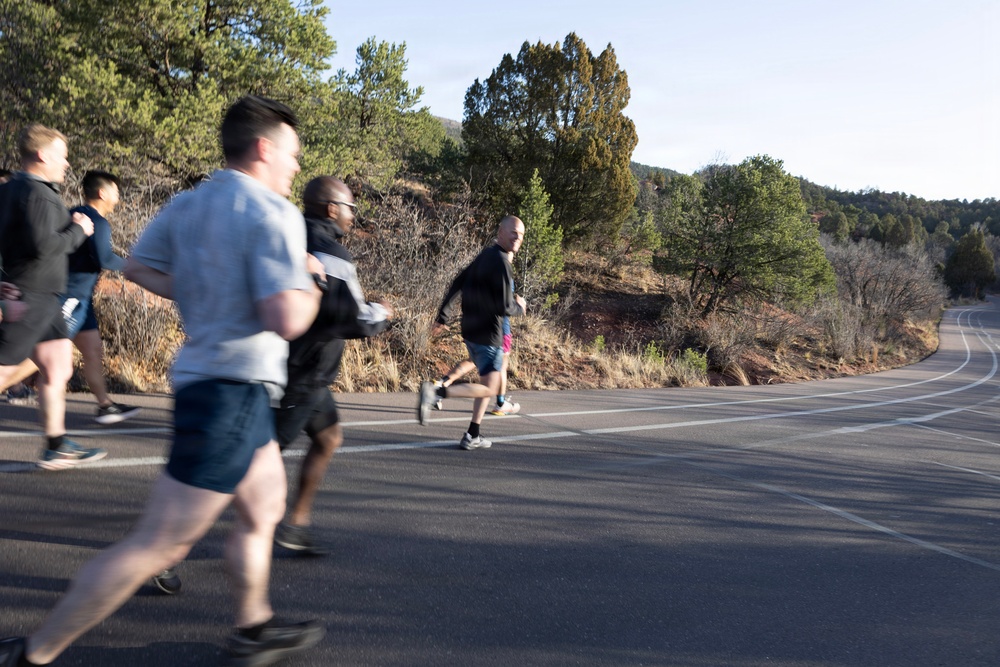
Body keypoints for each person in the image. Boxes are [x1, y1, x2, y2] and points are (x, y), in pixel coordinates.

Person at [0, 95, 326, 667]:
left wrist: (202, 287)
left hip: (225, 388)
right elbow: (287, 318)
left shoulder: (189, 203)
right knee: (160, 544)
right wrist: (312, 282)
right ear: (264, 148)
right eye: (293, 155)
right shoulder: (275, 213)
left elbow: (139, 267)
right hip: (232, 393)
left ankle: (253, 626)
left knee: (264, 506)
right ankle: (34, 652)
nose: (296, 167)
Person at [270, 175, 392, 555]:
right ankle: (167, 547)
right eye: (351, 208)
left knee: (328, 437)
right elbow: (353, 318)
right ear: (332, 208)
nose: (354, 216)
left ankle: (296, 526)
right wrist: (383, 313)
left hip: (303, 370)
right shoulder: (332, 254)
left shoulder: (288, 235)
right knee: (252, 465)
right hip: (302, 372)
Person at [0, 123, 102, 470]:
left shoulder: (10, 189)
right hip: (32, 295)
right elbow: (45, 247)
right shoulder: (40, 194)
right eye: (62, 155)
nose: (67, 163)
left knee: (58, 366)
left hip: (39, 294)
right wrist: (79, 230)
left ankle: (56, 444)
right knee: (3, 370)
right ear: (42, 155)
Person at [417, 215, 526, 450]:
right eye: (514, 232)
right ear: (501, 232)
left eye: (521, 234)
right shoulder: (502, 262)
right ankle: (437, 393)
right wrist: (521, 307)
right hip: (489, 333)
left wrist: (443, 316)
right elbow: (505, 307)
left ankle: (472, 434)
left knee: (486, 381)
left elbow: (458, 281)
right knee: (491, 387)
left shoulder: (485, 256)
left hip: (471, 330)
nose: (518, 237)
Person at [61, 170, 140, 424]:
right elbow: (104, 258)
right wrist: (135, 267)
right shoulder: (98, 222)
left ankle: (105, 405)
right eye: (116, 191)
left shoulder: (73, 213)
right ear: (102, 193)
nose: (119, 196)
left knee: (93, 351)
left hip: (81, 300)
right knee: (43, 355)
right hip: (70, 299)